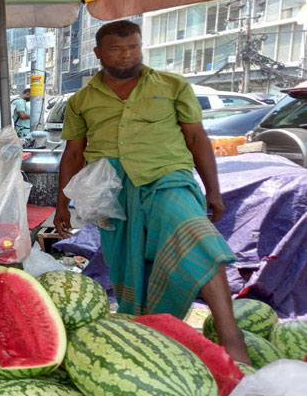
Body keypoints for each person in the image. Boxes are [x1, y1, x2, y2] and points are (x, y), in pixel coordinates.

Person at [53, 20, 250, 364]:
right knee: (129, 265)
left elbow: (196, 139)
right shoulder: (82, 99)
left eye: (133, 47)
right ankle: (151, 336)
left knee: (199, 238)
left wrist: (213, 191)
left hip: (167, 178)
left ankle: (231, 334)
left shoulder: (173, 85)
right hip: (111, 190)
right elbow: (73, 153)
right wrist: (62, 205)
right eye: (117, 49)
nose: (127, 55)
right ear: (98, 53)